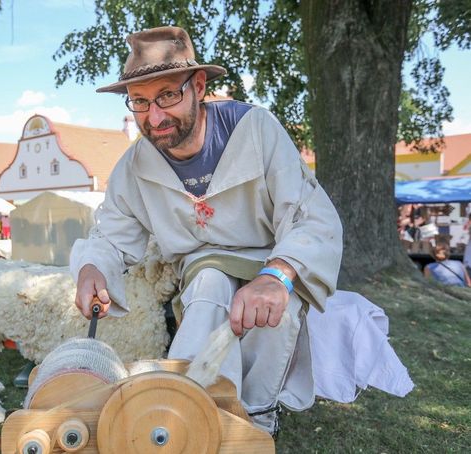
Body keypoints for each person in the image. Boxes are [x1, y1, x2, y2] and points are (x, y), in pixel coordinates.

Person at [69, 26, 342, 436]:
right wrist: (93, 267)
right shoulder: (135, 165)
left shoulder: (256, 130)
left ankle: (257, 419)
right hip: (203, 267)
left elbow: (310, 216)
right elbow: (111, 233)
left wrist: (278, 275)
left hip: (270, 259)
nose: (154, 117)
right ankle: (182, 410)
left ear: (198, 85)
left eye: (167, 96)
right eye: (140, 102)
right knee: (210, 285)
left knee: (275, 313)